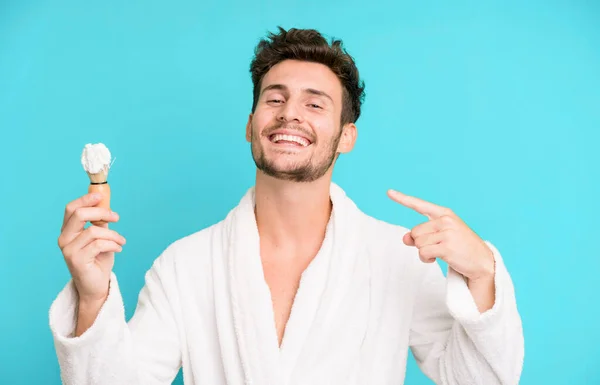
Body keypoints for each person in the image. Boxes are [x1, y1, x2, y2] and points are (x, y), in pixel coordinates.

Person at [49, 26, 524, 385]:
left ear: (346, 138)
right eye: (274, 98)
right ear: (252, 124)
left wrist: (482, 273)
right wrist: (91, 297)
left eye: (315, 104)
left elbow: (480, 379)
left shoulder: (396, 257)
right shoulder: (186, 266)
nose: (290, 112)